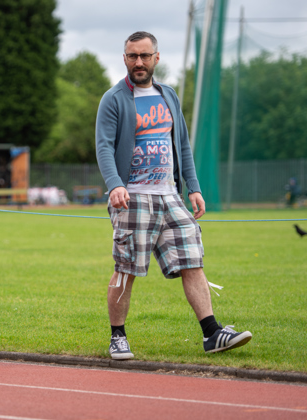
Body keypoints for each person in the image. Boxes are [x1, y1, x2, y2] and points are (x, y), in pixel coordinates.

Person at [95, 31, 252, 360]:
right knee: (126, 268)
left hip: (170, 196)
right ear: (125, 59)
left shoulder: (168, 95)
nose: (139, 62)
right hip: (132, 196)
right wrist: (115, 184)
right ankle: (117, 337)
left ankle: (212, 333)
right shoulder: (114, 98)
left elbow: (181, 144)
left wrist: (193, 186)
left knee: (192, 261)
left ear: (156, 57)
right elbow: (104, 146)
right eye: (132, 56)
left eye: (145, 55)